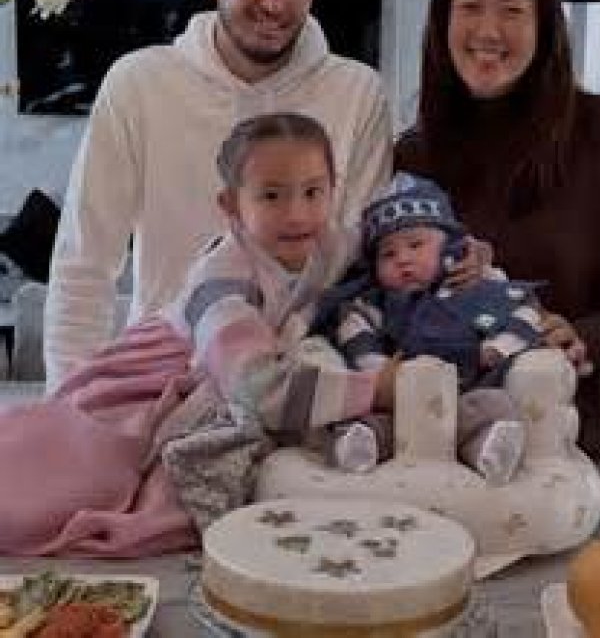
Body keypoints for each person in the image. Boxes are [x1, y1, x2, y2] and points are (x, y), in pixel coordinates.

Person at [43, 0, 393, 391]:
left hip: (306, 390)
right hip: (161, 385)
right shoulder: (138, 84)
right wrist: (69, 401)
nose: (275, 1)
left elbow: (363, 263)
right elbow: (84, 263)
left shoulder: (358, 93)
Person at [0, 113, 396, 555]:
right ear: (231, 205)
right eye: (271, 195)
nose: (297, 213)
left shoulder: (331, 243)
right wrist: (374, 388)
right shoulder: (221, 277)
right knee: (81, 481)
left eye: (313, 192)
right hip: (155, 379)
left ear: (333, 190)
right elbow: (256, 388)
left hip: (239, 372)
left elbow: (404, 241)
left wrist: (451, 258)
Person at [394, 0, 600, 459]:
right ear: (441, 22)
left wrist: (587, 336)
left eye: (512, 10)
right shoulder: (414, 157)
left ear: (546, 25)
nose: (488, 30)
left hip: (596, 442)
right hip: (449, 452)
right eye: (470, 6)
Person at [308, 172, 542, 484]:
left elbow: (526, 313)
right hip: (398, 398)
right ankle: (362, 446)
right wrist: (379, 373)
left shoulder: (476, 288)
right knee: (371, 421)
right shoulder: (375, 304)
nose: (403, 259)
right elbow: (356, 334)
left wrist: (498, 348)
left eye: (416, 245)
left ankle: (490, 450)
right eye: (388, 254)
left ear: (450, 249)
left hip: (465, 392)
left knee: (492, 406)